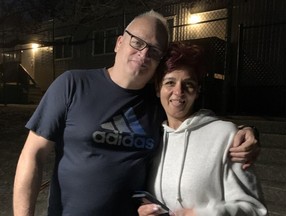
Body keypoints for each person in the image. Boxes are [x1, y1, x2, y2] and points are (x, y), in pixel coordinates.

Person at [13, 10, 259, 216]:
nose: (143, 54)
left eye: (154, 51)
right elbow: (33, 155)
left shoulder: (157, 102)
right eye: (137, 42)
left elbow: (191, 121)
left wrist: (243, 131)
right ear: (119, 42)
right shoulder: (72, 85)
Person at [137, 42, 267, 216]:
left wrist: (203, 214)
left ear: (197, 91)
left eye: (188, 84)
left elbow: (255, 209)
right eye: (170, 82)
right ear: (157, 89)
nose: (178, 92)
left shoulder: (226, 136)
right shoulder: (153, 137)